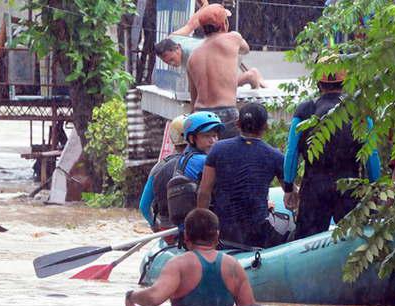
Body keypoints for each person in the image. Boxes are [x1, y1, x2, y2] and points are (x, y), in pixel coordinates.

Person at [282, 58, 381, 240]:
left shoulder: (305, 110)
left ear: (319, 83)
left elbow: (292, 152)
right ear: (345, 82)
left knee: (306, 246)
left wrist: (289, 187)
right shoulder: (359, 110)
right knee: (353, 243)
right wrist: (377, 187)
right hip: (350, 187)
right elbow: (372, 153)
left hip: (314, 188)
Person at [125, 208, 255, 306]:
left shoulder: (178, 264)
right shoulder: (234, 266)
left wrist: (132, 296)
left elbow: (154, 297)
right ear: (217, 236)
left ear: (186, 236)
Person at [197, 103, 285, 248]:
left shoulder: (218, 149)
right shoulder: (275, 156)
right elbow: (290, 195)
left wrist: (203, 230)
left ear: (238, 124)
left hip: (225, 233)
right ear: (265, 127)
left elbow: (204, 192)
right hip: (257, 235)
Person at [186, 4, 251, 139]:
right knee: (229, 157)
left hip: (200, 114)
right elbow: (246, 49)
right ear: (224, 24)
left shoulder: (193, 56)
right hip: (225, 112)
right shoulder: (233, 38)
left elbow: (193, 98)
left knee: (205, 158)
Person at [139, 115, 188, 231]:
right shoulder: (205, 163)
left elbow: (144, 207)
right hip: (195, 230)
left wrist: (154, 224)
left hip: (166, 230)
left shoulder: (159, 167)